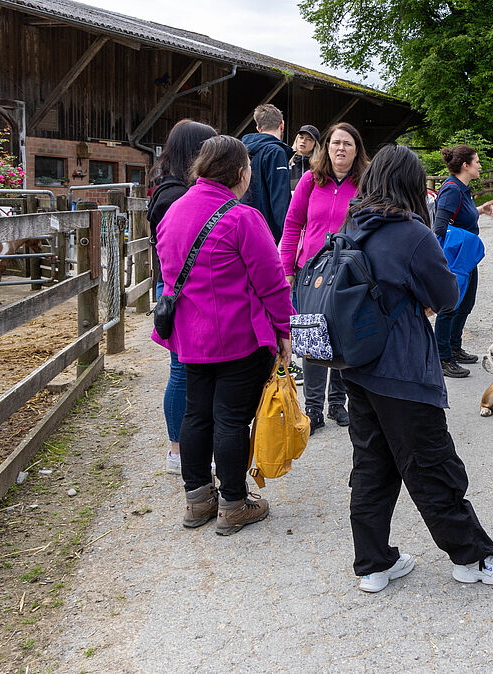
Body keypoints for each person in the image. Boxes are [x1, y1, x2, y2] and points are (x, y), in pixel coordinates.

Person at [340, 145, 493, 593]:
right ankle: (473, 558)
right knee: (432, 462)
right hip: (401, 367)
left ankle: (373, 564)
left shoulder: (351, 225)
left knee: (372, 463)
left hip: (357, 364)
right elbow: (446, 297)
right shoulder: (412, 233)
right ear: (410, 183)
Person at [153, 135, 295, 536]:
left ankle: (198, 501)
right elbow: (272, 283)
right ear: (238, 172)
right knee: (231, 419)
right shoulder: (242, 217)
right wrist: (284, 329)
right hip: (238, 336)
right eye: (248, 166)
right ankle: (234, 503)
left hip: (190, 336)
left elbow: (166, 273)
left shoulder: (174, 211)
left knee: (196, 414)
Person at [280, 122, 370, 430]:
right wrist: (287, 269)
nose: (341, 148)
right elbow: (292, 225)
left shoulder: (365, 183)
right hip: (311, 271)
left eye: (348, 143)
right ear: (326, 147)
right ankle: (313, 407)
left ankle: (337, 403)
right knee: (312, 336)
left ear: (357, 150)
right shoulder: (309, 181)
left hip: (347, 270)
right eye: (335, 143)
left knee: (344, 334)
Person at [147, 119, 218, 473]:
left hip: (175, 288)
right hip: (180, 290)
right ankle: (177, 449)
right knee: (180, 371)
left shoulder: (167, 188)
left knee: (185, 371)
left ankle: (184, 446)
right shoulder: (176, 195)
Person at [433, 144, 493, 378]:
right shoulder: (451, 189)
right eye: (477, 162)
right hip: (455, 257)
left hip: (466, 256)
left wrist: (479, 210)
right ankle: (443, 356)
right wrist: (468, 240)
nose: (480, 165)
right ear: (465, 165)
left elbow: (461, 217)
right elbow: (440, 227)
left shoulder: (463, 189)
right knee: (450, 306)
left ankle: (454, 347)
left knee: (465, 304)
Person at [240, 103, 291, 242]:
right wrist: (286, 239)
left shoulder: (242, 151)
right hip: (267, 235)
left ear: (258, 128)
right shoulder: (276, 152)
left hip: (243, 229)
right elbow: (280, 200)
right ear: (282, 125)